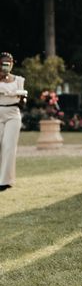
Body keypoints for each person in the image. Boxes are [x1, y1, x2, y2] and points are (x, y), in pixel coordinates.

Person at [0, 53, 26, 191]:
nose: (6, 65)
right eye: (3, 63)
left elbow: (23, 99)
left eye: (8, 63)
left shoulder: (19, 80)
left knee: (9, 146)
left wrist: (22, 97)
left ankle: (5, 181)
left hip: (13, 114)